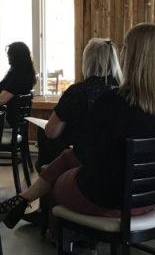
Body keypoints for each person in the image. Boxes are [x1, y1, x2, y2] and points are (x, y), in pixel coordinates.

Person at [0, 23, 155, 229]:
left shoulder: (113, 102)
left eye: (125, 47)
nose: (122, 53)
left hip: (105, 199)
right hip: (150, 198)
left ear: (134, 56)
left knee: (60, 172)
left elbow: (84, 153)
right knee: (69, 158)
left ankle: (58, 234)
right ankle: (23, 200)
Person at [36, 38, 122, 167]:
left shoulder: (77, 92)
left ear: (88, 62)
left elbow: (51, 132)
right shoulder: (124, 92)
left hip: (80, 163)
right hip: (116, 163)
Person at [0, 41, 36, 108]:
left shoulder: (20, 77)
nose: (8, 57)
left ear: (16, 57)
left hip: (4, 115)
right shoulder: (16, 73)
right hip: (0, 112)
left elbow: (0, 101)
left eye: (9, 54)